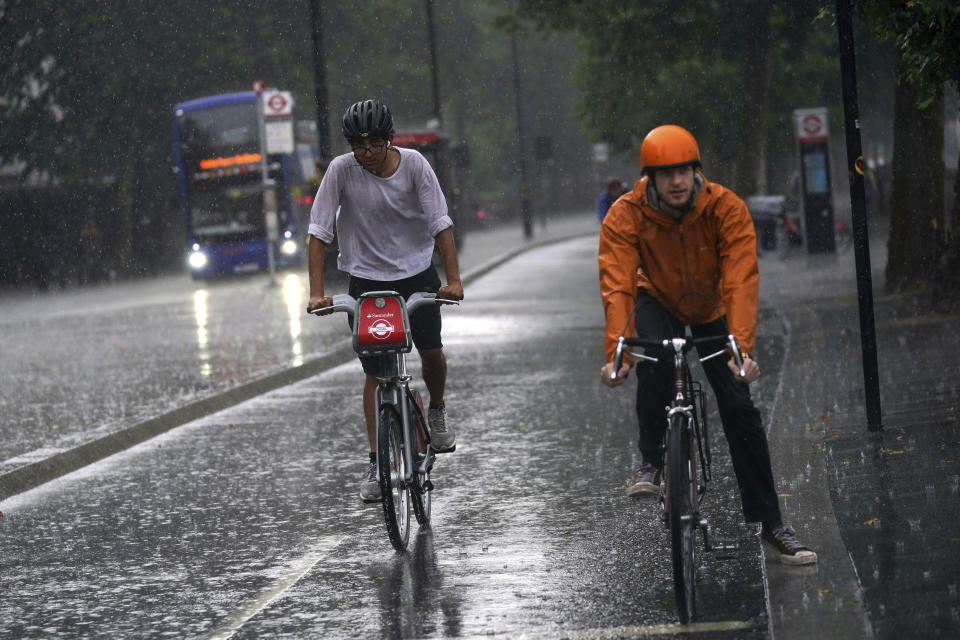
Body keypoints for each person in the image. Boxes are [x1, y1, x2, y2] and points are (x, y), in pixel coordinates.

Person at [597, 124, 817, 566]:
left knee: (739, 406)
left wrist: (744, 350)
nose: (677, 181)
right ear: (649, 179)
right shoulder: (626, 214)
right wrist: (617, 354)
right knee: (654, 357)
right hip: (656, 295)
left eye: (684, 170)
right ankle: (652, 460)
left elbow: (740, 279)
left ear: (697, 171)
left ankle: (772, 522)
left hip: (711, 303)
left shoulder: (725, 208)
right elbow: (617, 284)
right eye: (666, 173)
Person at [306, 99, 464, 503]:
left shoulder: (414, 165)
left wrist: (453, 281)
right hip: (366, 282)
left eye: (375, 144)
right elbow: (318, 231)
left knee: (431, 351)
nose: (367, 153)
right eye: (359, 145)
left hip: (417, 273)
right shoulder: (342, 170)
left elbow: (441, 224)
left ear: (388, 140)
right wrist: (316, 292)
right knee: (375, 374)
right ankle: (378, 465)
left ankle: (438, 410)